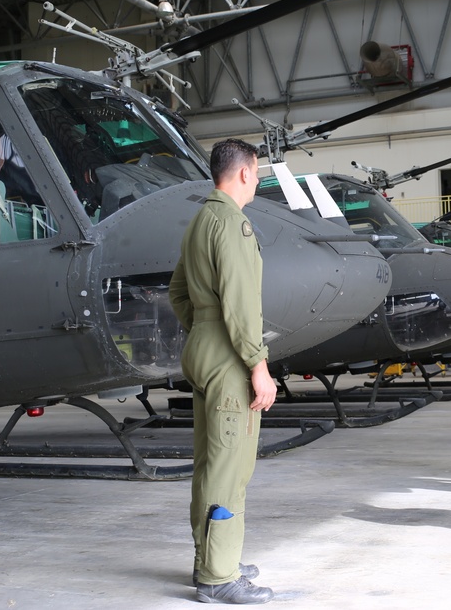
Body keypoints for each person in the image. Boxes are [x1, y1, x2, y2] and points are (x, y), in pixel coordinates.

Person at [169, 138, 277, 603]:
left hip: (202, 348)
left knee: (209, 463)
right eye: (257, 172)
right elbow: (239, 302)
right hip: (229, 354)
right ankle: (218, 577)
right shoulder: (232, 224)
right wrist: (258, 364)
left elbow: (177, 292)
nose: (257, 180)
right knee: (230, 466)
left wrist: (204, 330)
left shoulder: (200, 220)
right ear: (245, 173)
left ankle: (212, 559)